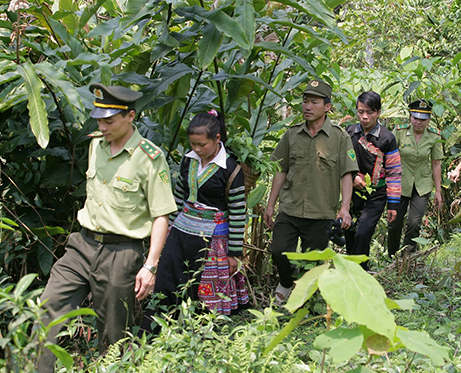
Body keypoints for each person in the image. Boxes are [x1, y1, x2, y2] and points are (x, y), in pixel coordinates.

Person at [37, 83, 177, 373]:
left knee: (113, 333)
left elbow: (161, 215)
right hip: (82, 244)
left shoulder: (149, 157)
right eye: (99, 120)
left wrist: (150, 266)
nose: (102, 126)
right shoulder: (95, 145)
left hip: (121, 251)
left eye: (109, 121)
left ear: (130, 116)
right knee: (48, 308)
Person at [141, 111, 248, 334]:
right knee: (169, 278)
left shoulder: (231, 169)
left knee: (204, 288)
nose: (197, 149)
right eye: (193, 144)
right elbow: (179, 196)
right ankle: (158, 329)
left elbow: (238, 212)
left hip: (213, 238)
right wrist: (168, 229)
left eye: (202, 144)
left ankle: (201, 336)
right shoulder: (188, 161)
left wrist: (233, 253)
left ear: (217, 139)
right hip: (181, 231)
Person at [264, 79, 359, 304]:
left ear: (327, 107)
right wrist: (270, 204)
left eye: (314, 102)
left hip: (321, 212)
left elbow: (347, 173)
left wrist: (345, 208)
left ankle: (306, 298)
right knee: (279, 250)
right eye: (305, 101)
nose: (307, 106)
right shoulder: (291, 135)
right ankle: (286, 283)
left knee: (313, 260)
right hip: (290, 208)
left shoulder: (340, 137)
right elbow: (280, 170)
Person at [344, 91, 401, 268]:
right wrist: (352, 177)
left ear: (378, 112)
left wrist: (393, 204)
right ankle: (354, 271)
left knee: (363, 232)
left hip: (376, 194)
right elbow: (342, 159)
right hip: (352, 192)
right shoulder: (350, 132)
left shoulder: (387, 138)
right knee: (350, 232)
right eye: (361, 112)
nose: (365, 116)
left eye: (370, 112)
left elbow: (394, 172)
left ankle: (358, 271)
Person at [387, 99, 444, 256]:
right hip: (399, 182)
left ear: (429, 120)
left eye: (423, 119)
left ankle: (408, 256)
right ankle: (392, 255)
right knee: (395, 222)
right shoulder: (399, 131)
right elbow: (389, 156)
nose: (418, 122)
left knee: (414, 222)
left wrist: (438, 191)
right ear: (410, 116)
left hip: (422, 184)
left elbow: (436, 163)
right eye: (415, 118)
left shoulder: (434, 136)